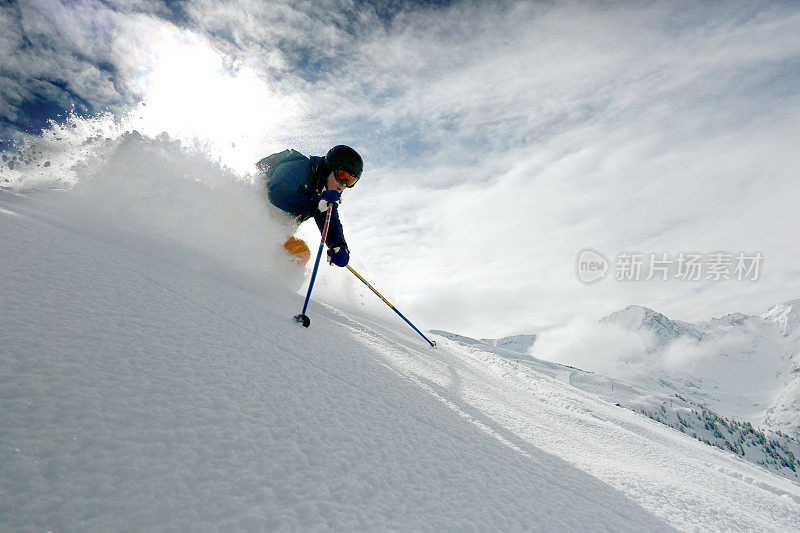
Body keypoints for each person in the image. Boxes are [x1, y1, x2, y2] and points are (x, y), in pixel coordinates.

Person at [259, 145, 363, 268]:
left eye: (351, 181)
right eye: (342, 175)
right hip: (250, 215)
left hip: (270, 232)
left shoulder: (324, 196)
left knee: (300, 253)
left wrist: (338, 245)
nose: (344, 184)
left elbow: (330, 220)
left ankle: (268, 283)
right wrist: (314, 205)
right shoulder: (301, 168)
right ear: (329, 167)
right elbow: (276, 192)